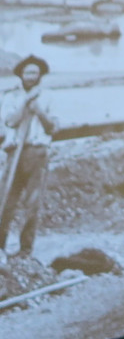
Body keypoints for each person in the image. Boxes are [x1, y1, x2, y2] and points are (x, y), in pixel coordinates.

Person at [0, 54, 57, 259]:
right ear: (20, 75)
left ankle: (25, 250)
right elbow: (10, 122)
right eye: (27, 72)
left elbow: (52, 128)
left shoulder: (48, 96)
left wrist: (38, 110)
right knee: (6, 199)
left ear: (40, 75)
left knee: (32, 203)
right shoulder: (11, 97)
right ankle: (1, 246)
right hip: (15, 152)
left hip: (36, 152)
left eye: (34, 72)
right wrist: (25, 104)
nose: (30, 76)